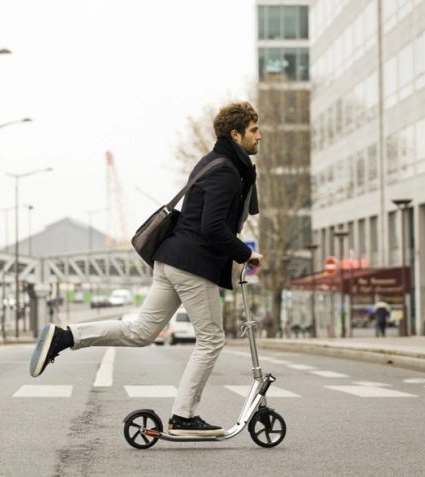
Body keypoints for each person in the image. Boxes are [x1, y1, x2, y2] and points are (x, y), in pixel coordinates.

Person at [29, 102, 263, 437]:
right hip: (193, 264)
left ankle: (65, 336)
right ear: (235, 134)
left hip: (171, 260)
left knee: (140, 331)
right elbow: (212, 227)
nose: (260, 135)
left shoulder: (213, 162)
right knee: (212, 339)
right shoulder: (226, 171)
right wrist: (246, 254)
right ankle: (183, 416)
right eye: (254, 130)